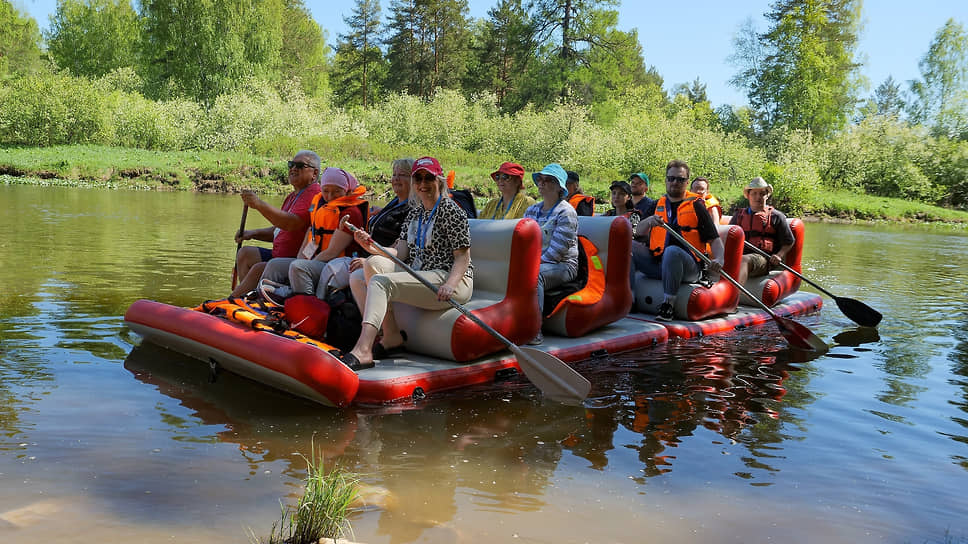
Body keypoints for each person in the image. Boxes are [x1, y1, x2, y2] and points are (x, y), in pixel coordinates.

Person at [340, 156, 474, 370]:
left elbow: (462, 257)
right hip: (422, 271)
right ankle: (391, 336)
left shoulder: (451, 211)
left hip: (450, 278)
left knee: (381, 282)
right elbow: (399, 252)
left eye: (428, 178)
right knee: (369, 266)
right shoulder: (415, 212)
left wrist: (450, 284)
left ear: (439, 181)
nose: (422, 184)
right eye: (417, 179)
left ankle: (363, 349)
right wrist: (370, 246)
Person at [632, 159, 725, 321]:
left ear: (687, 182)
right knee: (629, 245)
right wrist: (649, 221)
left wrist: (719, 259)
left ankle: (668, 305)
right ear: (666, 180)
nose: (675, 182)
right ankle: (630, 297)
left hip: (690, 268)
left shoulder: (697, 206)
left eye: (680, 179)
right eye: (671, 178)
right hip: (658, 264)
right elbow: (638, 231)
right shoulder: (656, 204)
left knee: (672, 251)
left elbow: (714, 240)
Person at [259, 167, 368, 300]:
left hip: (337, 266)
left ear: (346, 190)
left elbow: (332, 252)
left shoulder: (351, 213)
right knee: (274, 264)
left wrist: (304, 264)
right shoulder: (321, 207)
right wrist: (301, 258)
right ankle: (263, 301)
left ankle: (304, 305)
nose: (330, 197)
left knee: (299, 267)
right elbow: (313, 237)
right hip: (319, 260)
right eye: (326, 191)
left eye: (337, 192)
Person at [230, 150, 322, 297]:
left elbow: (291, 223)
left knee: (260, 268)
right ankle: (246, 297)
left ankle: (233, 301)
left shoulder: (314, 194)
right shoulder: (293, 196)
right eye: (291, 164)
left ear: (314, 174)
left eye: (300, 165)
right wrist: (252, 233)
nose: (293, 168)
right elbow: (279, 229)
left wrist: (259, 204)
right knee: (245, 254)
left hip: (295, 260)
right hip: (278, 255)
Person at [523, 163, 579, 343]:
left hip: (563, 266)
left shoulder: (566, 212)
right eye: (540, 179)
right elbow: (522, 243)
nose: (542, 183)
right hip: (536, 262)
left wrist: (528, 267)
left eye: (548, 180)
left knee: (535, 275)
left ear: (559, 187)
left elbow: (556, 253)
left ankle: (534, 329)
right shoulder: (531, 210)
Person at [729, 177, 795, 285]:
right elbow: (728, 236)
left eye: (762, 194)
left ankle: (733, 296)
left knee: (743, 260)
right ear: (748, 196)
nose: (758, 197)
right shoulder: (738, 216)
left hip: (764, 259)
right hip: (740, 255)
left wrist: (779, 255)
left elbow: (789, 241)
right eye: (754, 193)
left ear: (767, 196)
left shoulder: (776, 216)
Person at [367, 158, 414, 247]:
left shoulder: (413, 209)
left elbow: (400, 246)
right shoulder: (397, 200)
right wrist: (382, 212)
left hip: (382, 258)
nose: (396, 178)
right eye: (394, 174)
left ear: (413, 180)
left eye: (402, 175)